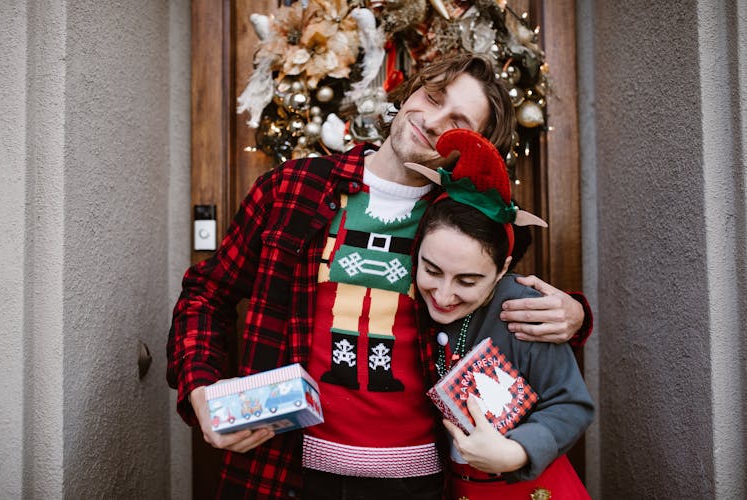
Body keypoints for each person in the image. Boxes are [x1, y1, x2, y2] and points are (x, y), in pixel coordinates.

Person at [166, 53, 592, 499]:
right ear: (409, 92)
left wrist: (575, 315)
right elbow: (206, 294)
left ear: (474, 147)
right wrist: (199, 389)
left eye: (458, 121)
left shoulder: (459, 225)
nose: (431, 120)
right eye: (432, 97)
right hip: (281, 469)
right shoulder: (292, 189)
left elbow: (497, 301)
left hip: (417, 481)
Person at [410, 128, 593, 499]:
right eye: (431, 270)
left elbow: (570, 402)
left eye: (468, 280)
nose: (443, 295)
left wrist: (518, 450)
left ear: (502, 268)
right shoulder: (408, 304)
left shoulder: (523, 312)